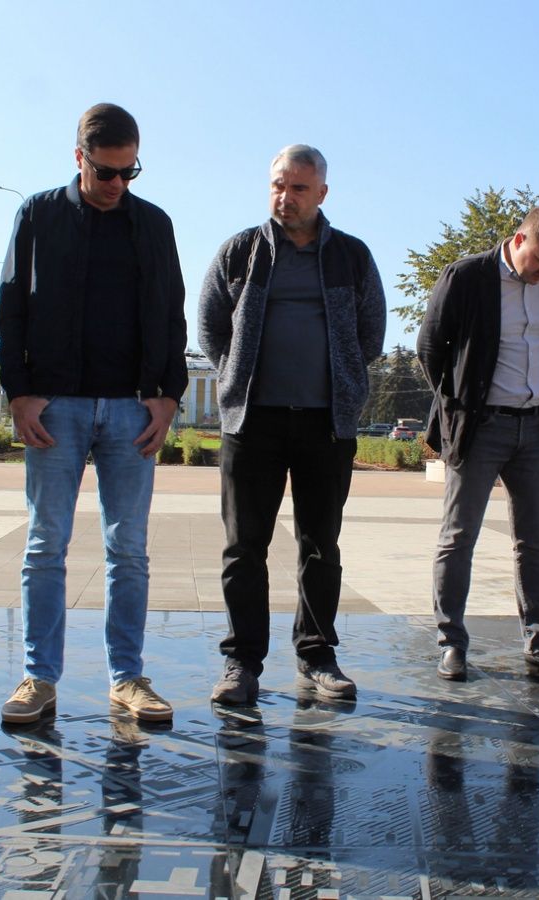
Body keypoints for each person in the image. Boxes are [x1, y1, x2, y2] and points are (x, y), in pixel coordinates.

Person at [0, 103, 186, 724]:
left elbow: (173, 314)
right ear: (79, 158)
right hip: (56, 408)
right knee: (45, 544)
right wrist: (19, 392)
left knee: (128, 549)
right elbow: (10, 308)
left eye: (131, 172)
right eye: (107, 172)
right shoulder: (38, 214)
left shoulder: (153, 224)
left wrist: (169, 395)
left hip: (132, 409)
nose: (118, 184)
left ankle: (127, 678)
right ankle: (38, 678)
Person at [198, 145, 386, 704]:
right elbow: (210, 326)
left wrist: (343, 380)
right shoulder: (240, 251)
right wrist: (236, 375)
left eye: (299, 188)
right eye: (279, 185)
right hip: (251, 423)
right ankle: (241, 662)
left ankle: (317, 656)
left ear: (322, 193)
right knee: (243, 548)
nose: (286, 197)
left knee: (320, 546)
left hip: (326, 425)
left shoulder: (351, 256)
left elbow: (371, 333)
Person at [417, 205, 539, 684]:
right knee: (458, 538)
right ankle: (451, 643)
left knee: (535, 542)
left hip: (534, 429)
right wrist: (456, 405)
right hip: (479, 427)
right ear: (519, 240)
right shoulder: (466, 276)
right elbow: (430, 347)